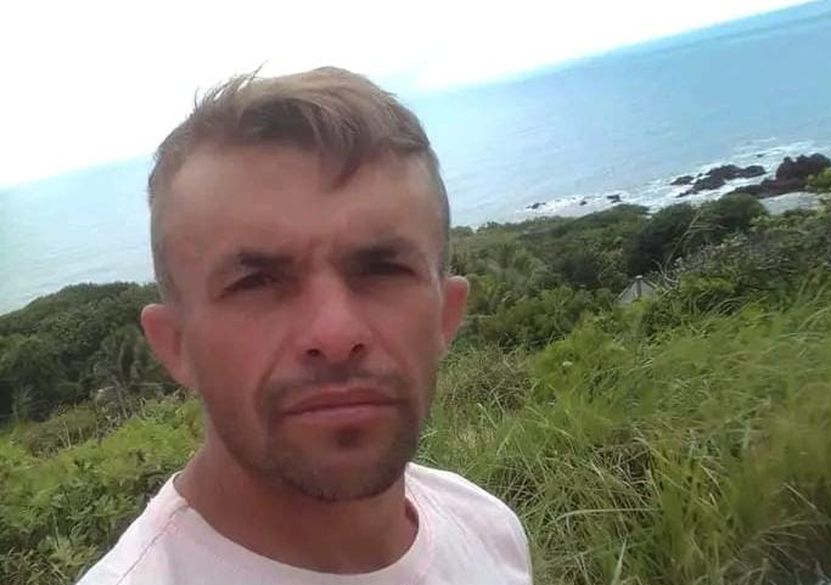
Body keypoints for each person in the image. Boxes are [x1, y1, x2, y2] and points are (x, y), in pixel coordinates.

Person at [76, 67, 533, 585]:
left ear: (445, 316)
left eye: (381, 270)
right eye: (257, 282)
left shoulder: (487, 528)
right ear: (175, 346)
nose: (335, 334)